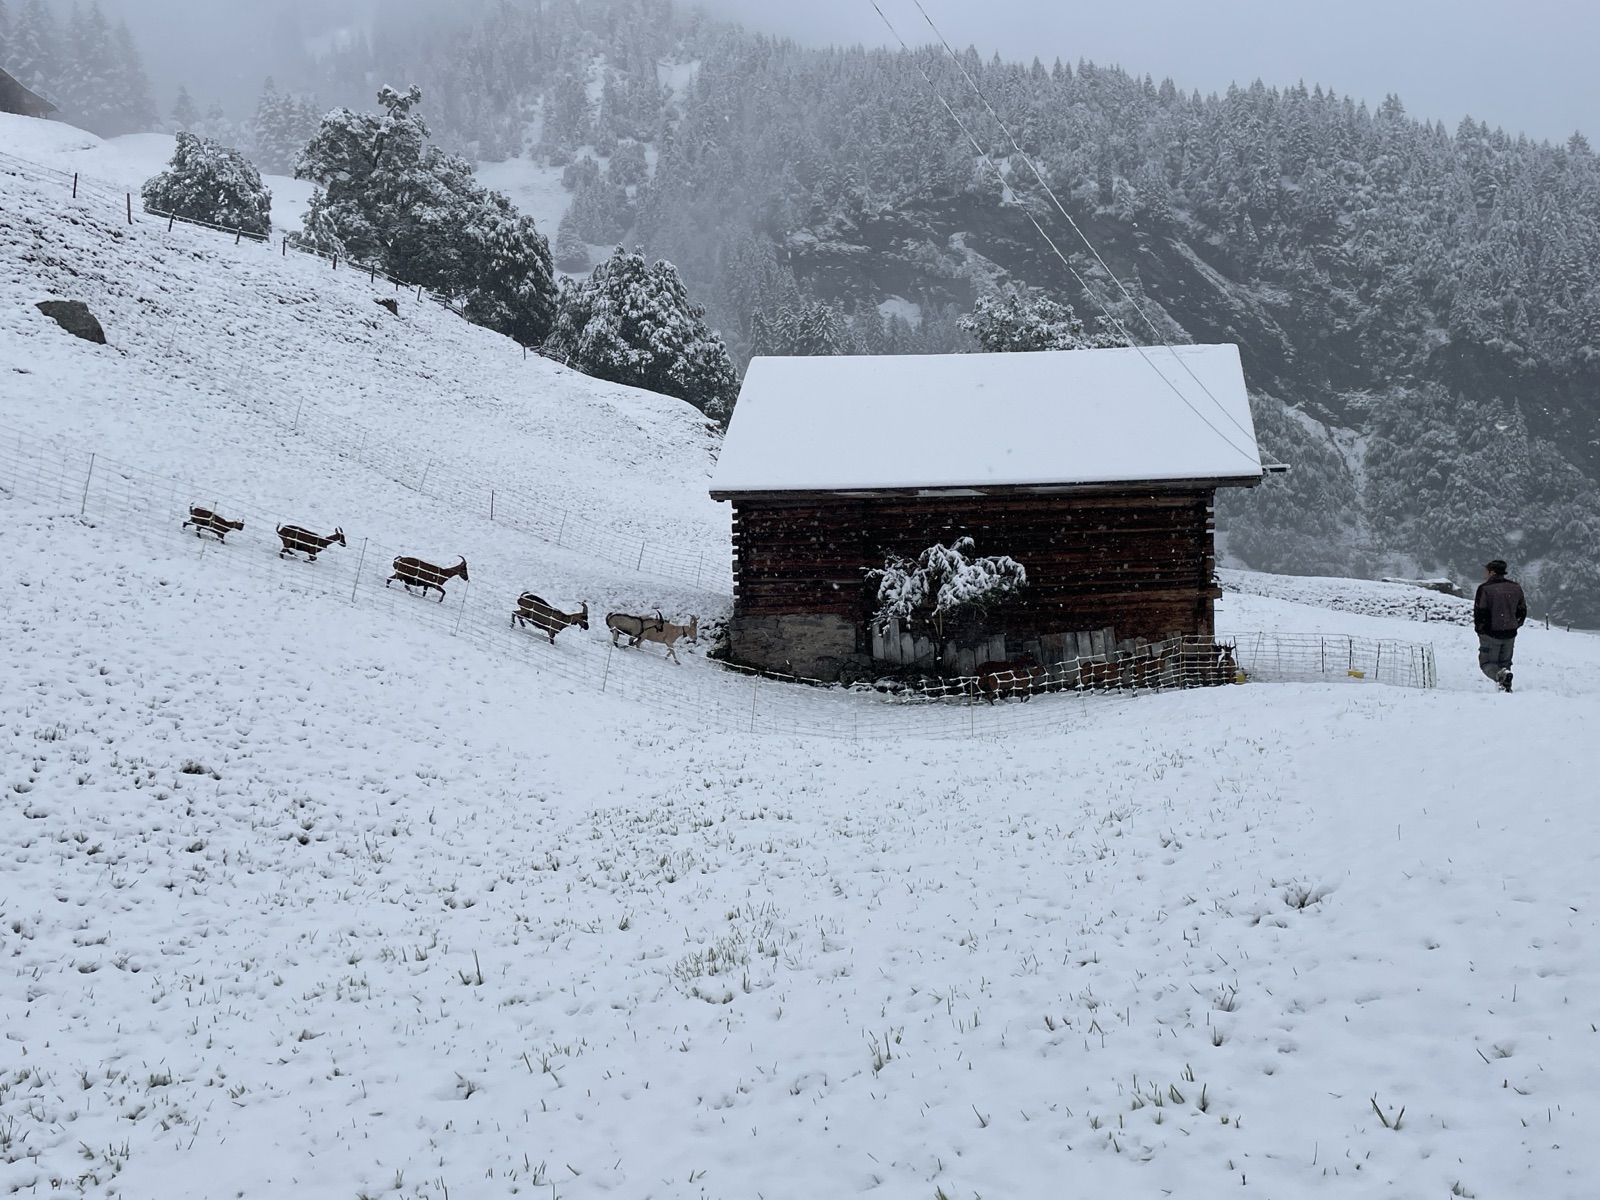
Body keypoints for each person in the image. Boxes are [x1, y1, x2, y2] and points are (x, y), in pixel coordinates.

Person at [1473, 559, 1527, 692]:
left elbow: (1480, 612)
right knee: (1505, 663)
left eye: (1486, 571)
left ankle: (1501, 677)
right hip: (1510, 633)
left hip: (1491, 633)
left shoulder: (1485, 589)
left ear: (1492, 572)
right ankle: (1505, 688)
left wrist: (1481, 630)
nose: (1484, 574)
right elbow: (1522, 610)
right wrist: (1515, 624)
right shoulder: (1516, 587)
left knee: (1487, 663)